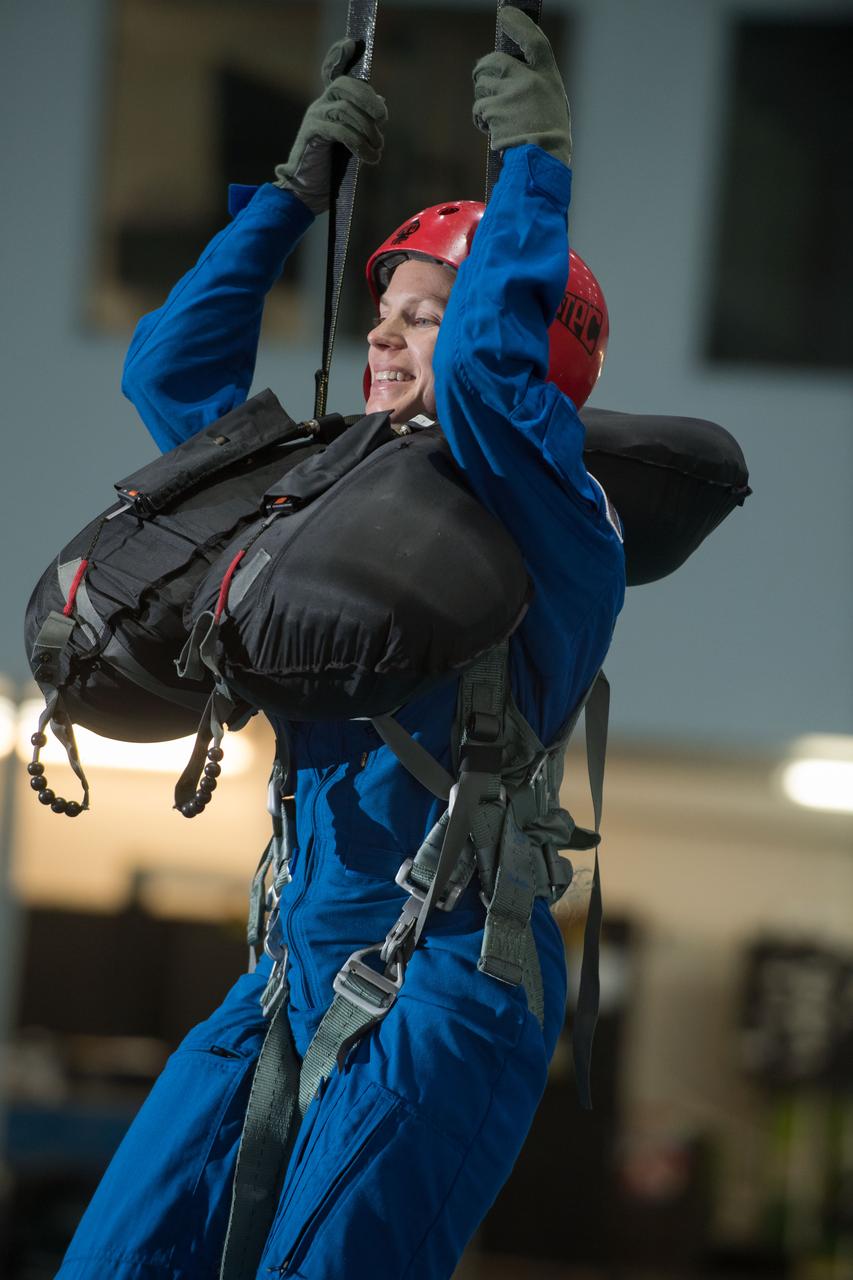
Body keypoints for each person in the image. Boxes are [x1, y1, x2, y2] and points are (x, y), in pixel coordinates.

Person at [55, 9, 625, 1278]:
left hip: (448, 989)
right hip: (285, 974)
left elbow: (484, 376)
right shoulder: (319, 501)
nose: (383, 332)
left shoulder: (559, 526)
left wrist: (531, 168)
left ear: (527, 345)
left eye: (421, 314)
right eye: (386, 309)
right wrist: (289, 193)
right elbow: (170, 368)